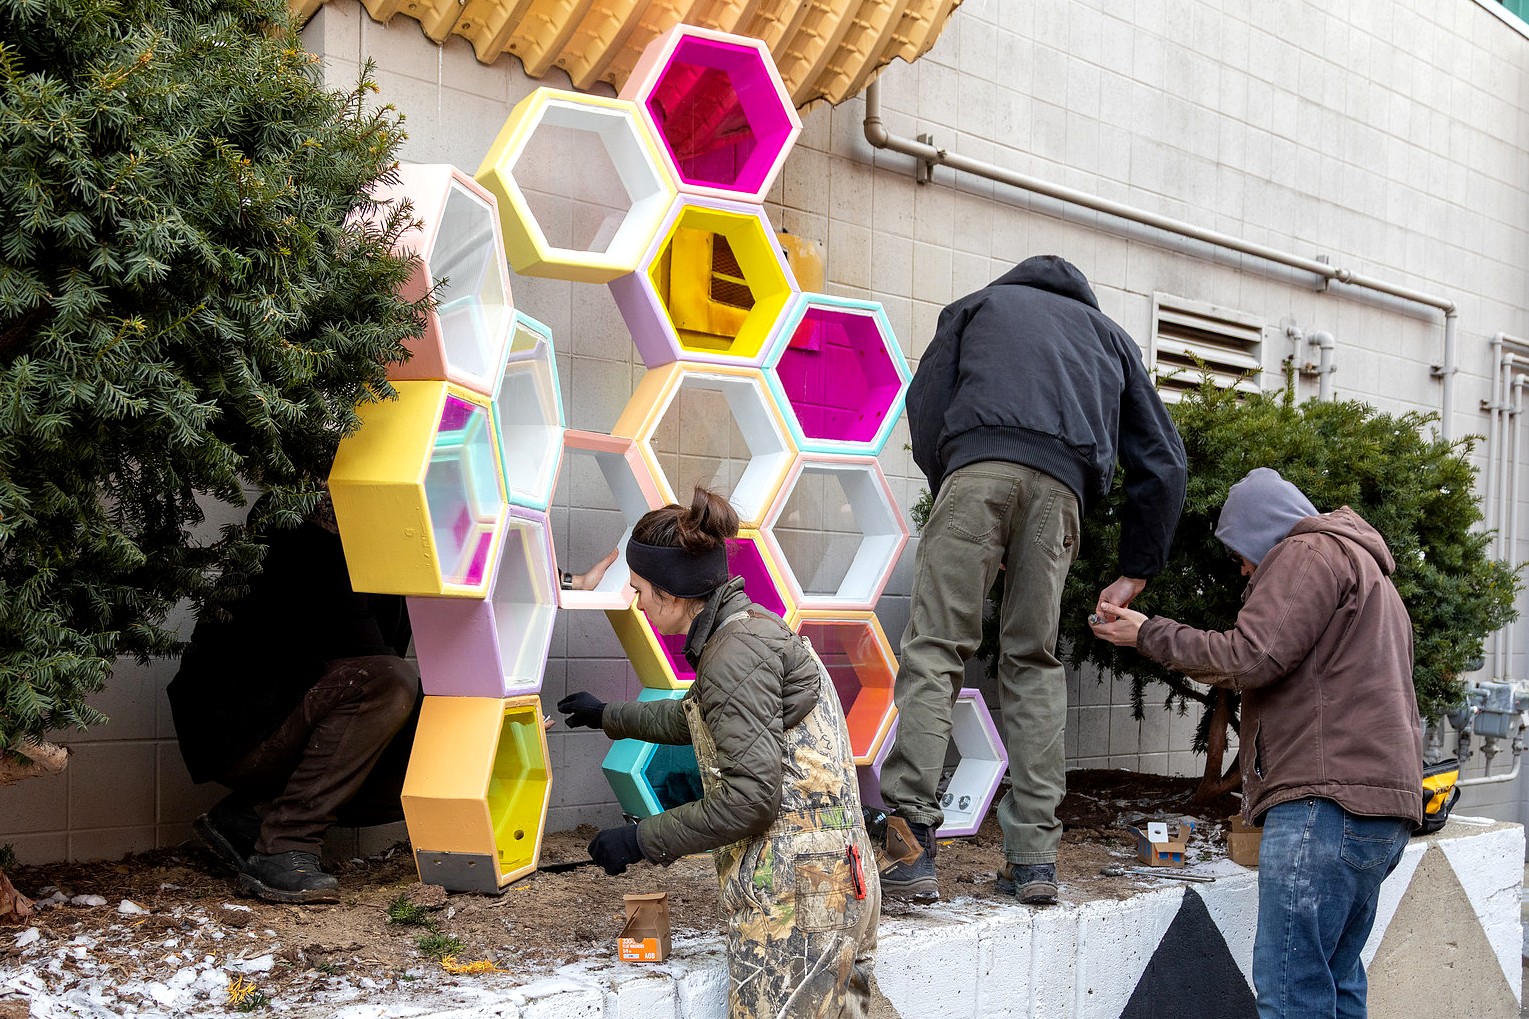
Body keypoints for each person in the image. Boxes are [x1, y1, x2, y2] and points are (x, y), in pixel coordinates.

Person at [877, 254, 1187, 904]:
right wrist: (1136, 569)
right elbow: (1162, 458)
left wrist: (955, 486)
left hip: (973, 472)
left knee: (935, 648)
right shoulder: (1110, 340)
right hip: (1060, 494)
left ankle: (910, 851)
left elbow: (925, 401)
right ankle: (1034, 861)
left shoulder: (975, 308)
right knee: (1032, 660)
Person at [1090, 467, 1423, 1018]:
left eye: (1242, 552)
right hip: (1379, 810)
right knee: (1335, 985)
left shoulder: (1308, 551)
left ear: (1264, 530)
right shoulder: (1370, 575)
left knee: (1292, 993)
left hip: (1325, 805)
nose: (1244, 568)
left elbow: (1252, 656)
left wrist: (1146, 633)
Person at [169, 495, 613, 904]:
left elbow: (475, 565)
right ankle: (283, 849)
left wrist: (570, 582)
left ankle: (253, 818)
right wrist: (470, 725)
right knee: (389, 684)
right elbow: (371, 671)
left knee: (445, 746)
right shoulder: (309, 532)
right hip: (240, 727)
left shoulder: (387, 537)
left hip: (290, 719)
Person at [557, 487, 880, 1019]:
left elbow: (750, 799)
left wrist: (640, 840)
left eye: (640, 589)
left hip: (798, 899)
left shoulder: (733, 655)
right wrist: (607, 716)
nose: (636, 601)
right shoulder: (750, 630)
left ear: (674, 594)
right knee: (852, 1013)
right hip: (838, 882)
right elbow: (701, 717)